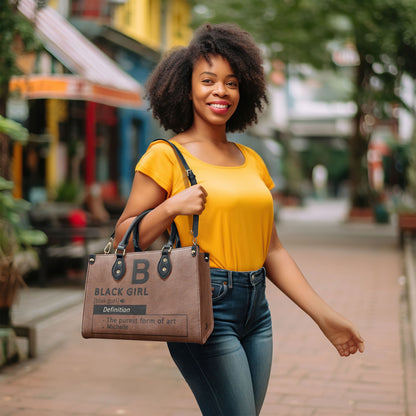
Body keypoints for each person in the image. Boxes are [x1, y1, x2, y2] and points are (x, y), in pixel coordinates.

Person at [114, 23, 365, 416]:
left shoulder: (253, 162)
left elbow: (273, 251)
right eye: (208, 80)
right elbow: (123, 241)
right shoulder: (165, 155)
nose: (221, 92)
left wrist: (324, 316)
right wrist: (169, 208)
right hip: (203, 305)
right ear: (186, 86)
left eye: (231, 83)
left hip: (256, 310)